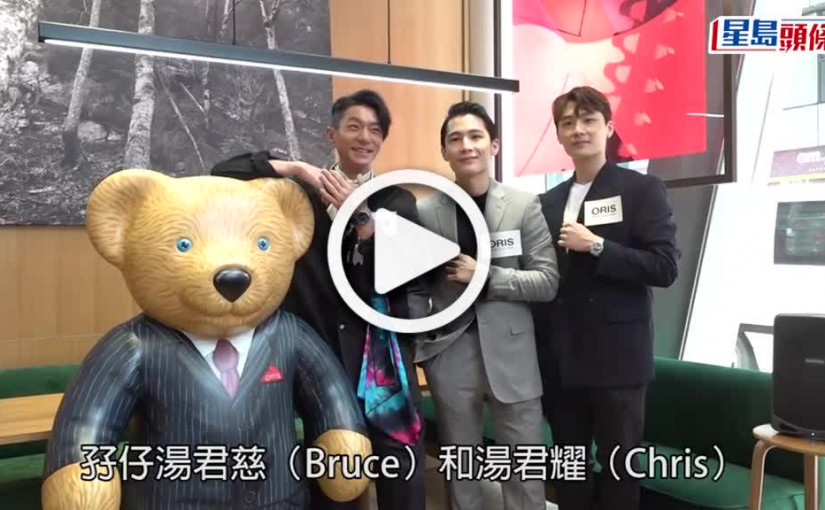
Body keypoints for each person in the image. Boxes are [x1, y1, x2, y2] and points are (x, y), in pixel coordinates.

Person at [210, 89, 428, 510]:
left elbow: (403, 277)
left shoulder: (397, 200)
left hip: (382, 359)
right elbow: (224, 172)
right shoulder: (298, 195)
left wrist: (361, 217)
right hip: (320, 356)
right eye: (354, 127)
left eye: (375, 130)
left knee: (399, 467)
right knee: (334, 474)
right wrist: (295, 168)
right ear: (332, 135)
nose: (364, 137)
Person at [532, 86, 680, 509]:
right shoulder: (547, 202)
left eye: (588, 120)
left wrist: (597, 246)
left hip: (618, 360)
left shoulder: (641, 189)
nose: (578, 130)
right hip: (561, 359)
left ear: (608, 128)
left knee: (619, 470)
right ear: (559, 135)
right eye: (568, 123)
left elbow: (664, 267)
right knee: (570, 469)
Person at [415, 101, 559, 510]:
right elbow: (415, 287)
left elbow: (547, 282)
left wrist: (484, 275)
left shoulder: (523, 205)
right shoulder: (425, 212)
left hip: (513, 353)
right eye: (455, 139)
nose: (466, 145)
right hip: (450, 354)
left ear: (493, 145)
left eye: (476, 136)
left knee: (524, 466)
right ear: (444, 151)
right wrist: (425, 347)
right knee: (461, 466)